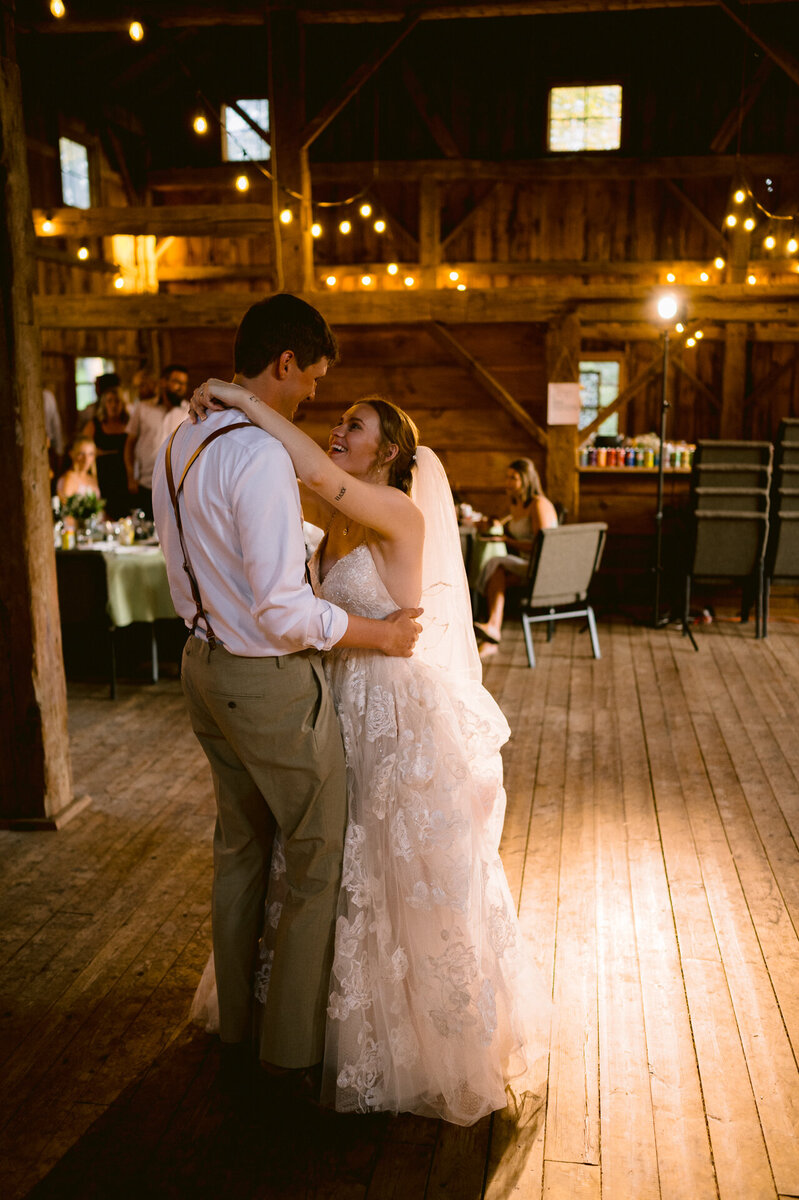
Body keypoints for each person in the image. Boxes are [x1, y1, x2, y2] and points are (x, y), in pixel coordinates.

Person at [188, 380, 549, 1125]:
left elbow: (314, 475)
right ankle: (308, 1021)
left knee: (389, 860)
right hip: (332, 692)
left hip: (388, 703)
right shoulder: (336, 511)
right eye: (338, 418)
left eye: (354, 424)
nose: (336, 428)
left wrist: (240, 398)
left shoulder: (396, 509)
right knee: (327, 857)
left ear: (386, 451)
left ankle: (403, 1036)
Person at [151, 295, 422, 1087]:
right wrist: (377, 634)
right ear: (286, 364)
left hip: (200, 665)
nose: (314, 402)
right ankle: (291, 1051)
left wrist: (226, 395)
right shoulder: (261, 457)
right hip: (262, 679)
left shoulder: (182, 432)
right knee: (314, 856)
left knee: (239, 849)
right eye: (313, 381)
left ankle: (239, 1026)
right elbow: (282, 608)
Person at [473, 458, 558, 657]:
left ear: (526, 480)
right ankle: (492, 634)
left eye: (514, 478)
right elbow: (504, 523)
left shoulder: (539, 505)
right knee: (497, 574)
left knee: (495, 565)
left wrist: (505, 540)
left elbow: (543, 547)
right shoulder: (516, 504)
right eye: (507, 477)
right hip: (525, 565)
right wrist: (491, 524)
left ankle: (490, 628)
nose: (508, 482)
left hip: (542, 567)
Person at [125, 363, 190, 519]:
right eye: (177, 382)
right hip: (145, 483)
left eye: (184, 384)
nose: (181, 387)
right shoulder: (143, 408)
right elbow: (129, 444)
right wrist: (130, 476)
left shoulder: (189, 412)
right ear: (163, 382)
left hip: (176, 485)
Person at [80, 375, 130, 518]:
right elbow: (83, 447)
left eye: (117, 401)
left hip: (123, 474)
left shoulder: (128, 423)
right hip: (103, 474)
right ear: (104, 404)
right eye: (109, 401)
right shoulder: (95, 425)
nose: (113, 405)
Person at [56, 437, 101, 503]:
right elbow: (66, 508)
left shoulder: (92, 478)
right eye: (81, 454)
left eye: (90, 454)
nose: (86, 459)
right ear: (71, 454)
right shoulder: (70, 477)